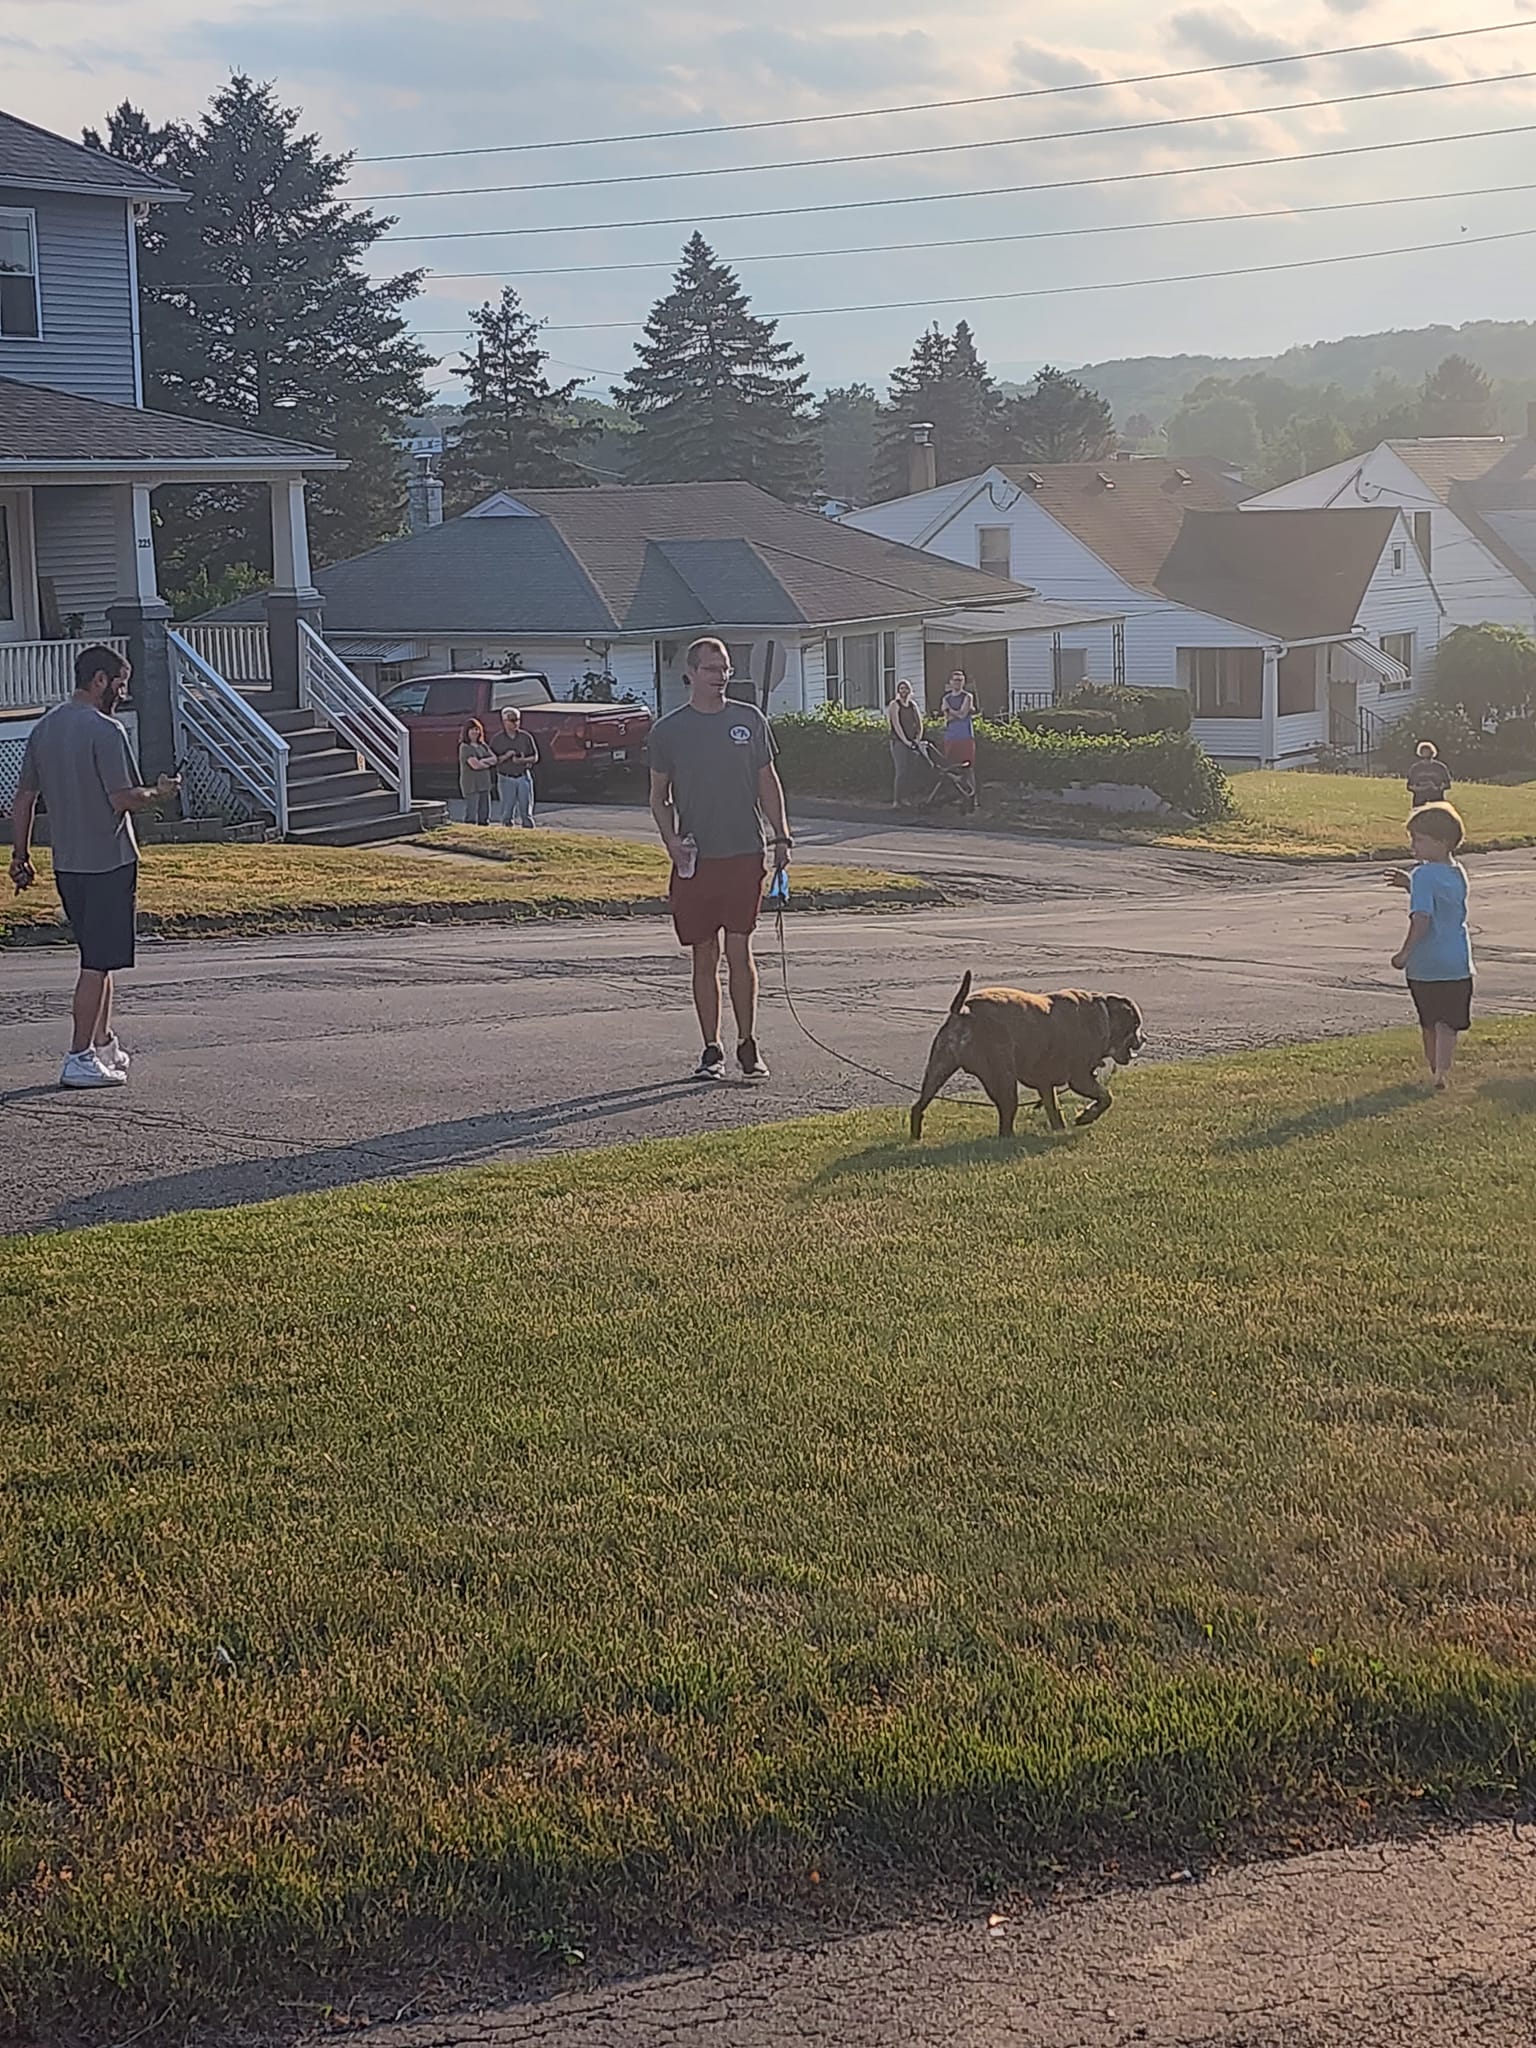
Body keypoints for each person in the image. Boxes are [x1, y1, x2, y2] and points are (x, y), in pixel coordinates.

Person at [7, 644, 180, 1089]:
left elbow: (24, 798)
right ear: (99, 680)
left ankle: (103, 1044)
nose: (123, 693)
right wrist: (158, 793)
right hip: (108, 861)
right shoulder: (106, 730)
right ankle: (78, 1056)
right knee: (94, 965)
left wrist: (19, 855)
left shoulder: (44, 728)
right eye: (120, 684)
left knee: (98, 958)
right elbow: (122, 798)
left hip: (69, 864)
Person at [648, 636, 792, 1083]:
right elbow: (658, 797)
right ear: (690, 674)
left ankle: (748, 1044)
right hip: (697, 859)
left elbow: (769, 783)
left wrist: (782, 837)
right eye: (711, 669)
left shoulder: (748, 720)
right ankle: (712, 1049)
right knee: (704, 954)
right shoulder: (668, 731)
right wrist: (671, 841)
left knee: (738, 947)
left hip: (744, 853)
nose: (720, 677)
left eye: (725, 668)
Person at [1385, 801, 1472, 1091]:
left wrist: (1405, 953)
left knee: (1429, 1021)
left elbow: (1422, 918)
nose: (1413, 846)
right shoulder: (1457, 872)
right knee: (1449, 1022)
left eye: (1420, 840)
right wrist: (1410, 884)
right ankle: (1442, 1073)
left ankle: (1434, 1068)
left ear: (1442, 841)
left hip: (1426, 964)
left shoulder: (1423, 874)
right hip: (1458, 961)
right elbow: (1443, 903)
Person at [491, 705, 538, 827]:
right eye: (512, 720)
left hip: (523, 776)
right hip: (506, 778)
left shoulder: (526, 737)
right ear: (504, 721)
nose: (516, 723)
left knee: (526, 812)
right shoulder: (497, 739)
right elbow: (493, 760)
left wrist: (522, 760)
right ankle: (507, 836)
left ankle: (529, 833)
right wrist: (506, 756)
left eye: (517, 719)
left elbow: (535, 757)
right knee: (507, 813)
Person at [886, 679, 925, 807]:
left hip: (913, 742)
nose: (904, 691)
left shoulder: (913, 705)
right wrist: (905, 741)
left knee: (910, 771)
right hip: (899, 742)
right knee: (901, 771)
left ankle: (906, 798)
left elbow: (919, 724)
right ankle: (896, 800)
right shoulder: (894, 705)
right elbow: (896, 725)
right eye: (901, 688)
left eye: (906, 688)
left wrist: (917, 739)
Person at [458, 718, 497, 825]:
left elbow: (494, 759)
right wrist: (486, 763)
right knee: (472, 811)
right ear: (467, 732)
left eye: (477, 729)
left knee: (484, 812)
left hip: (484, 783)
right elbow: (475, 765)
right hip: (471, 785)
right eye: (472, 730)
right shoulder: (465, 747)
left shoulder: (483, 745)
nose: (475, 732)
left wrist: (483, 761)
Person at [940, 669, 977, 772]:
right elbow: (947, 718)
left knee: (967, 767)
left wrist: (950, 709)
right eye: (956, 680)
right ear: (950, 682)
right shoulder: (946, 698)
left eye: (961, 680)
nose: (958, 683)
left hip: (965, 736)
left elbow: (962, 715)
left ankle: (969, 787)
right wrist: (955, 713)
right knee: (951, 766)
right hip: (950, 737)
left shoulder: (967, 696)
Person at [1406, 739, 1452, 809]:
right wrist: (1420, 788)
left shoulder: (1440, 767)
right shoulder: (1415, 768)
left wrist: (1436, 788)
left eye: (1427, 751)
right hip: (1419, 801)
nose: (1426, 753)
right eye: (1424, 751)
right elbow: (1409, 786)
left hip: (1436, 800)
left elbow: (1447, 784)